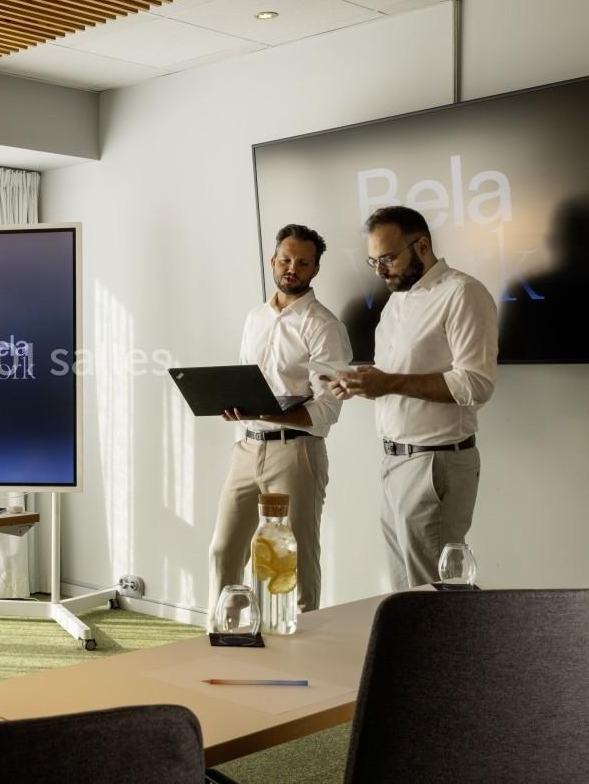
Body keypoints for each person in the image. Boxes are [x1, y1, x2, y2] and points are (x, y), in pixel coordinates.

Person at [327, 206, 497, 589]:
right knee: (408, 590)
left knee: (434, 592)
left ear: (422, 245)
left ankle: (460, 651)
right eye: (373, 261)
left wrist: (387, 383)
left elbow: (476, 384)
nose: (379, 271)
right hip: (394, 462)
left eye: (388, 258)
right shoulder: (396, 302)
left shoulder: (462, 293)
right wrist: (362, 383)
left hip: (435, 462)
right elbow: (396, 381)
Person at [206, 224, 351, 628]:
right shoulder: (254, 318)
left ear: (315, 269)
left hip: (296, 451)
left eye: (303, 262)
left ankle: (301, 646)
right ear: (273, 261)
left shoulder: (324, 326)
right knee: (224, 550)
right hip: (246, 447)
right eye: (286, 259)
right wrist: (232, 403)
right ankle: (224, 635)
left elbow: (329, 406)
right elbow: (243, 378)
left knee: (293, 559)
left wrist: (271, 414)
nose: (292, 268)